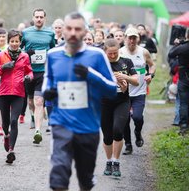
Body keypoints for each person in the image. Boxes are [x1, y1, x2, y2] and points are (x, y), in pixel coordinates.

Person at [43, 12, 116, 191]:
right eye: (69, 28)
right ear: (63, 31)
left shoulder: (97, 55)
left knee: (85, 180)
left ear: (85, 32)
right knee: (58, 177)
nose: (73, 33)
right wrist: (48, 92)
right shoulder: (53, 55)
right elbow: (47, 81)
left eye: (78, 29)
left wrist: (91, 75)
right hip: (61, 124)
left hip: (88, 127)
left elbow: (112, 89)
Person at [0, 29, 33, 163]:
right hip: (3, 93)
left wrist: (28, 77)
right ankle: (6, 136)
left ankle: (11, 150)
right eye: (12, 41)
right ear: (8, 41)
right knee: (6, 123)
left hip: (18, 93)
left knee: (14, 121)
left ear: (20, 42)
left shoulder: (25, 56)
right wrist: (3, 67)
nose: (15, 44)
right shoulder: (1, 55)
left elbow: (30, 72)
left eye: (17, 41)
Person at [101, 39, 139, 177]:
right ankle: (108, 161)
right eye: (109, 53)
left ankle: (116, 162)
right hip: (104, 103)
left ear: (119, 50)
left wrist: (124, 78)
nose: (112, 56)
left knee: (117, 130)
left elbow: (136, 80)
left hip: (122, 101)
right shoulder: (100, 64)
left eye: (114, 53)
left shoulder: (126, 62)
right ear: (105, 52)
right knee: (107, 136)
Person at [21, 8, 55, 144]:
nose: (39, 19)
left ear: (45, 18)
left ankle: (38, 131)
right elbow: (19, 48)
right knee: (30, 101)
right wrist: (26, 52)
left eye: (41, 17)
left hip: (43, 71)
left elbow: (52, 49)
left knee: (39, 101)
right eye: (37, 17)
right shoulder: (26, 32)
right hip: (29, 71)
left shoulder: (50, 33)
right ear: (33, 18)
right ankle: (35, 117)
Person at [120, 27, 155, 155]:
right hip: (124, 92)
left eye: (134, 38)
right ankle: (128, 144)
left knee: (137, 117)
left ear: (138, 39)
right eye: (130, 38)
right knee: (124, 120)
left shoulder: (144, 52)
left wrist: (150, 75)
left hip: (140, 91)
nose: (132, 40)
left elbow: (152, 65)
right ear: (126, 38)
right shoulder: (120, 53)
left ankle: (138, 132)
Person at [168, 31, 189, 135]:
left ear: (186, 35)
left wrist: (178, 44)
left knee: (183, 103)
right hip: (183, 78)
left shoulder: (182, 47)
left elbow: (171, 54)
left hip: (184, 78)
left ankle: (184, 125)